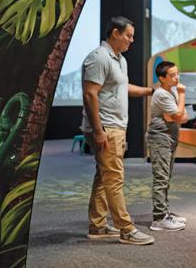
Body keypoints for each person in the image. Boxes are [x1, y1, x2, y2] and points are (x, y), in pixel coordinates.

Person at [81, 16, 155, 245]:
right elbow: (90, 94)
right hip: (106, 127)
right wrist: (98, 130)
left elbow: (122, 87)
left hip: (115, 127)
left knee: (104, 177)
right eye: (128, 36)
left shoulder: (119, 60)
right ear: (115, 33)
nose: (131, 40)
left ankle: (98, 225)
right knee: (114, 178)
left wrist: (150, 91)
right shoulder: (99, 57)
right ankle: (126, 229)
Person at [146, 61, 189, 231]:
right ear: (162, 78)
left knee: (166, 178)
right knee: (161, 179)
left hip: (168, 138)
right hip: (160, 139)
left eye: (177, 74)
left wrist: (177, 114)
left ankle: (164, 213)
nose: (176, 77)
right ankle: (159, 219)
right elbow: (179, 115)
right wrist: (182, 95)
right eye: (172, 75)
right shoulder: (162, 94)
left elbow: (183, 117)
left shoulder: (171, 91)